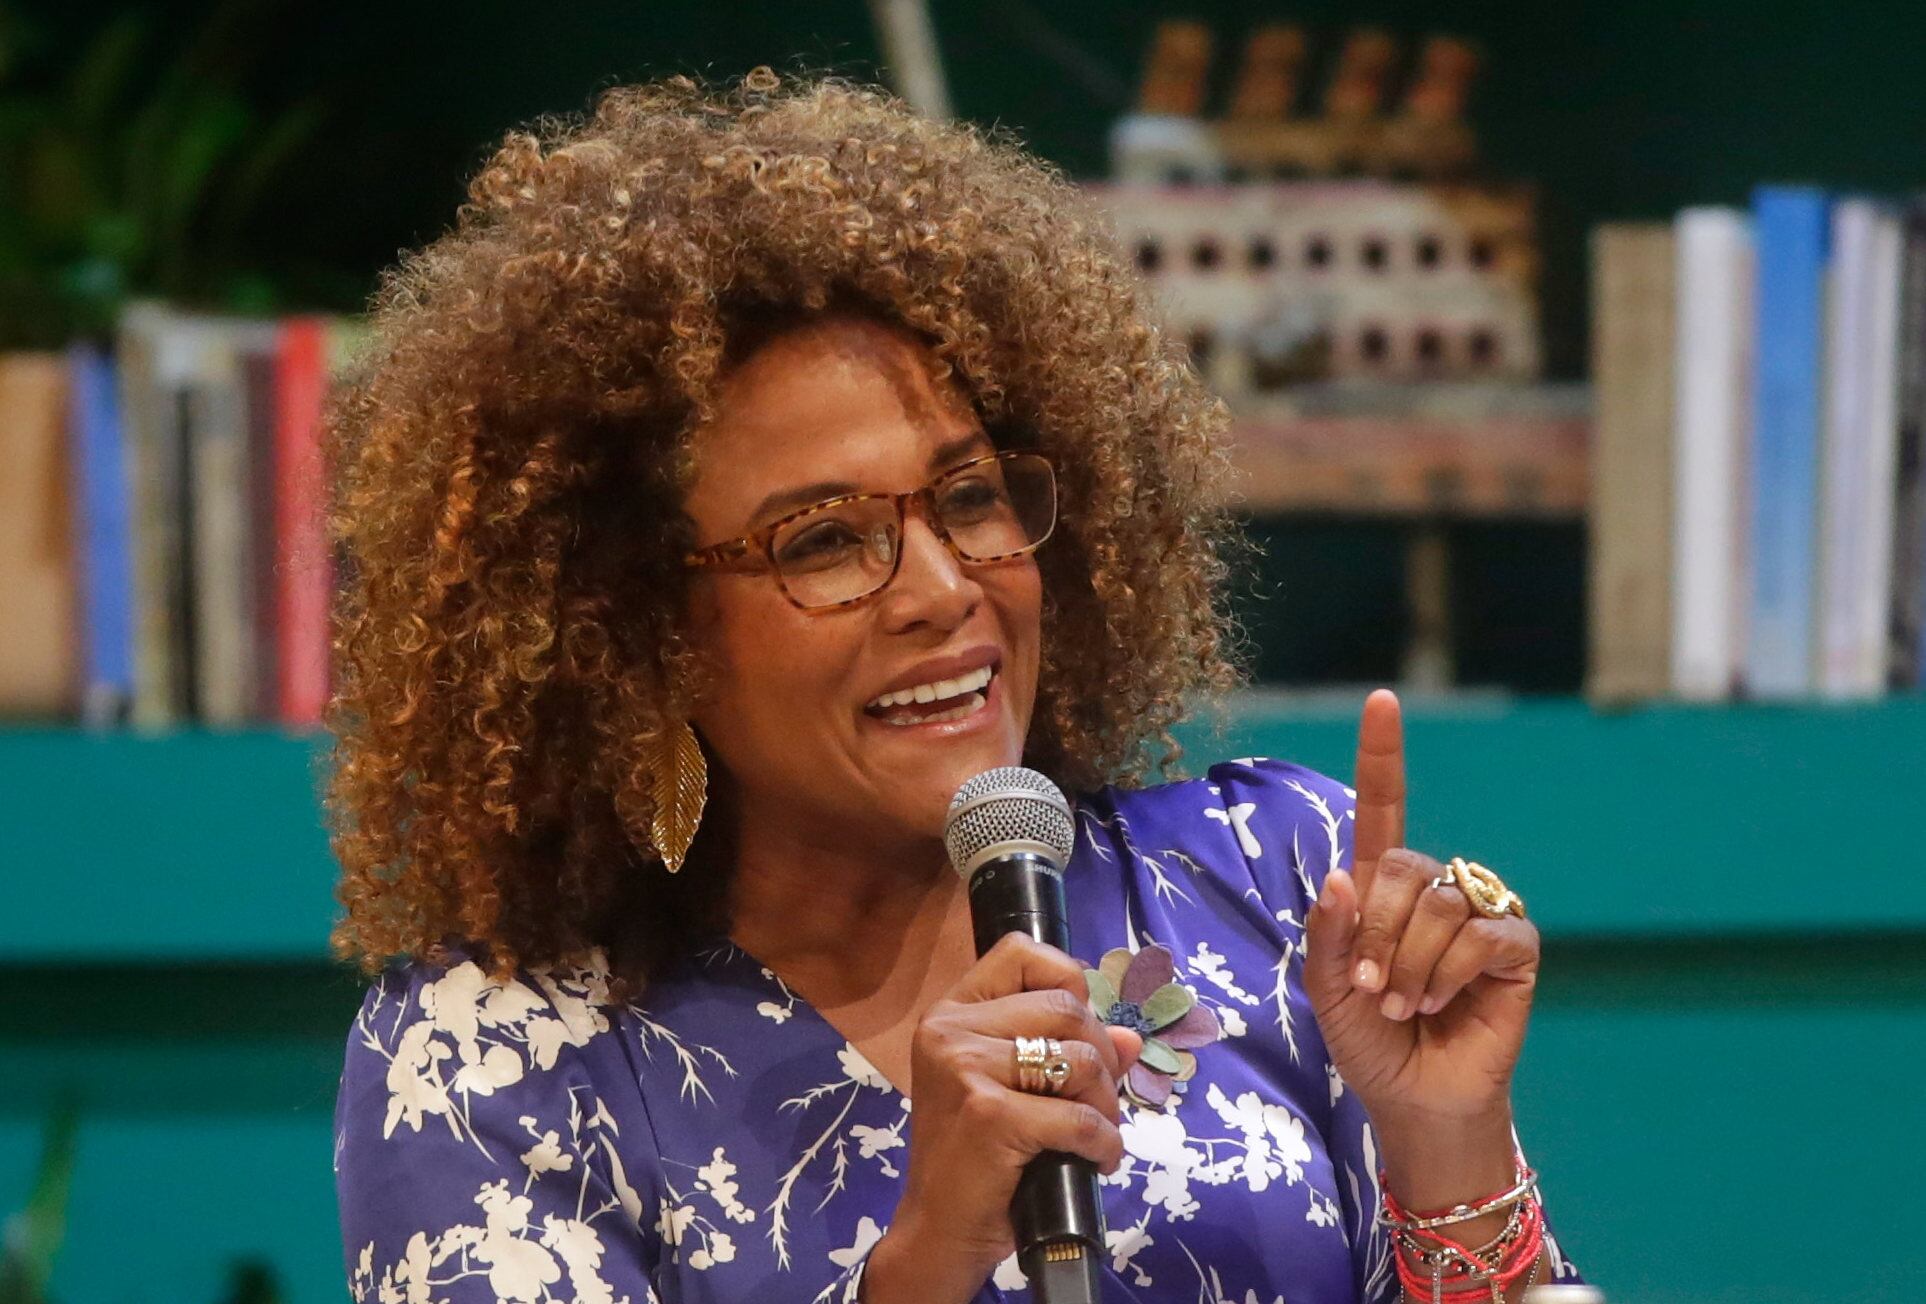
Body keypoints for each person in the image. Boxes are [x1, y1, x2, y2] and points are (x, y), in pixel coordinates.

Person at [328, 69, 1581, 1304]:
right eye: (826, 538)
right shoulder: (497, 1057)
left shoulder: (1275, 882)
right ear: (638, 627)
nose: (942, 587)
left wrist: (1449, 1144)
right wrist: (926, 1257)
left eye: (970, 497)